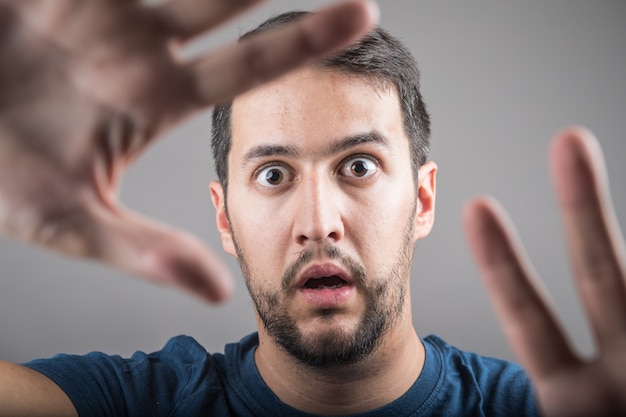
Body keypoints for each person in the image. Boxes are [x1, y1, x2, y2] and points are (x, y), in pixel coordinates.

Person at [1, 2, 625, 417]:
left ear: (422, 199)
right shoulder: (139, 403)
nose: (318, 222)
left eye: (358, 166)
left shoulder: (544, 408)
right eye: (273, 174)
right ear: (224, 218)